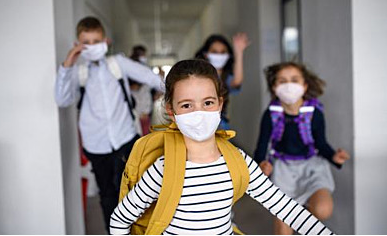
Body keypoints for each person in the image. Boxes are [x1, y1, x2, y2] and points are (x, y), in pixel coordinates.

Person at [110, 59, 334, 235]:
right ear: (171, 110)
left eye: (207, 103)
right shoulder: (163, 169)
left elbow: (287, 209)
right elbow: (121, 219)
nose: (199, 113)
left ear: (220, 103)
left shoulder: (238, 162)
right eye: (187, 105)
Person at [54, 16, 164, 233]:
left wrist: (179, 91)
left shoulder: (118, 64)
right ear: (78, 44)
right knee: (108, 195)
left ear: (106, 41)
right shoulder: (77, 72)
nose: (92, 47)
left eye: (97, 41)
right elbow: (62, 99)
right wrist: (68, 63)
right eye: (86, 42)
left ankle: (141, 230)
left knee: (133, 190)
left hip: (125, 138)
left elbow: (149, 78)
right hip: (96, 145)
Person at [253, 61, 350, 234]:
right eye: (282, 81)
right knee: (283, 228)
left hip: (312, 167)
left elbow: (321, 143)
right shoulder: (270, 114)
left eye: (294, 80)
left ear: (304, 86)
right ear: (274, 87)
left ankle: (297, 217)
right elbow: (262, 145)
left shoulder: (314, 113)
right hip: (283, 170)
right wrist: (261, 163)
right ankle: (290, 217)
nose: (288, 85)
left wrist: (334, 157)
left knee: (323, 209)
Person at [195, 33, 250, 130]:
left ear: (228, 55)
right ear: (206, 54)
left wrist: (239, 52)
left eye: (223, 52)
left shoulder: (226, 77)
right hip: (198, 123)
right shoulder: (197, 75)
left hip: (221, 126)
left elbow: (237, 81)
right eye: (215, 52)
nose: (219, 55)